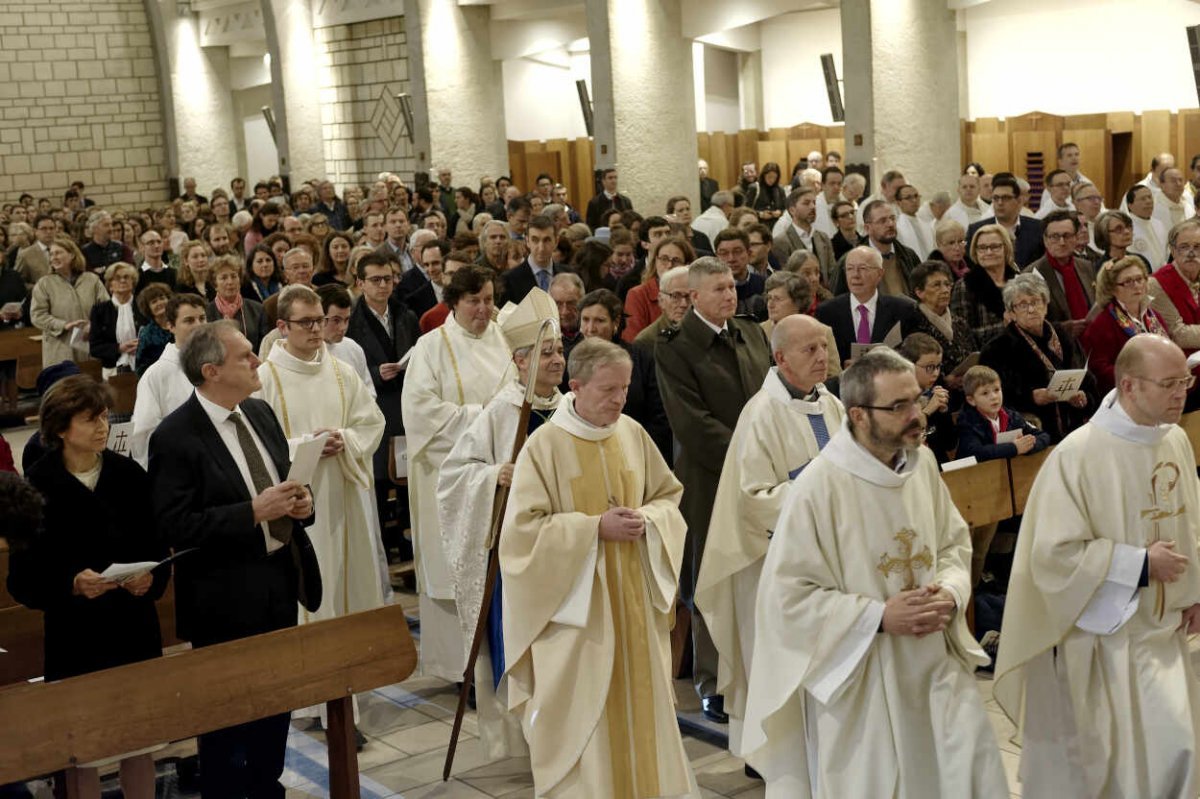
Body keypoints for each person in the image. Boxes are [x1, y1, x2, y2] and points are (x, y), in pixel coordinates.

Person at [741, 348, 1008, 797]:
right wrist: (878, 617)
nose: (916, 415)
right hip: (860, 679)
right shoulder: (819, 487)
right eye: (898, 406)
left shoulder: (920, 465)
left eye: (916, 399)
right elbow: (787, 598)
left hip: (935, 663)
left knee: (967, 774)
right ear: (859, 416)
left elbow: (952, 543)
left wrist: (951, 589)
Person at [995, 334, 1200, 798]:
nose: (1180, 393)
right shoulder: (1078, 454)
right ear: (1128, 386)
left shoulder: (1175, 441)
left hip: (1164, 632)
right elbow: (1051, 555)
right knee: (1146, 759)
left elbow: (1192, 521)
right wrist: (1140, 564)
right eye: (1168, 383)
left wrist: (1194, 592)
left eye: (1184, 381)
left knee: (1178, 754)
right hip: (1107, 641)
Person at [499, 337, 698, 797]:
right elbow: (522, 534)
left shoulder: (631, 433)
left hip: (634, 604)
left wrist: (648, 520)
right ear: (576, 386)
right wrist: (592, 529)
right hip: (577, 617)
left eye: (625, 388)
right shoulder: (545, 445)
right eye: (608, 389)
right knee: (584, 718)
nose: (619, 399)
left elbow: (668, 497)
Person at [150, 321, 317, 799]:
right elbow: (174, 525)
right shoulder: (175, 435)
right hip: (223, 596)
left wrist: (301, 506)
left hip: (278, 580)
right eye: (246, 356)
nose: (257, 361)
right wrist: (251, 512)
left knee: (276, 703)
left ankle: (269, 787)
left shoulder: (260, 413)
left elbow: (285, 483)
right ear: (211, 370)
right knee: (226, 718)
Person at [7, 375, 165, 799]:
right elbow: (22, 581)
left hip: (134, 628)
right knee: (80, 752)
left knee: (140, 744)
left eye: (104, 417)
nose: (103, 427)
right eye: (89, 419)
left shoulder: (128, 474)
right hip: (76, 638)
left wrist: (150, 579)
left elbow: (157, 546)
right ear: (60, 428)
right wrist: (71, 584)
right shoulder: (36, 486)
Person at [694, 314, 844, 758]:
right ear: (780, 358)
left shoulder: (830, 404)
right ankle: (769, 757)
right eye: (809, 350)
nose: (821, 357)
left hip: (824, 562)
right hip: (772, 563)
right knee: (774, 660)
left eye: (823, 346)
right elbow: (754, 498)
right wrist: (817, 489)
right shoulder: (761, 414)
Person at [256, 285, 388, 735]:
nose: (317, 330)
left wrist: (344, 440)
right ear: (281, 327)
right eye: (306, 323)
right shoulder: (266, 378)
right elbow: (259, 445)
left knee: (344, 591)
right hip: (297, 503)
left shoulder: (340, 371)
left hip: (343, 499)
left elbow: (372, 422)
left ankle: (341, 694)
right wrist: (306, 446)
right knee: (311, 593)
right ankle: (308, 696)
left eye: (321, 320)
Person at [439, 287, 561, 763]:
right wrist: (494, 475)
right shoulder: (502, 410)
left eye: (559, 351)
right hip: (516, 557)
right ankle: (530, 739)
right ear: (519, 361)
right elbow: (453, 475)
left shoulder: (569, 408)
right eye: (545, 353)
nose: (556, 361)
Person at [656, 256, 772, 723]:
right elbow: (691, 422)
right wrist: (750, 452)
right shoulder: (676, 347)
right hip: (709, 475)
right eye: (719, 289)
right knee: (709, 576)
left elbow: (768, 397)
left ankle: (757, 666)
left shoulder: (750, 332)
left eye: (732, 287)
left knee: (756, 570)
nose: (730, 294)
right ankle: (713, 682)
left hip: (760, 472)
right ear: (694, 296)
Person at [401, 264, 512, 681]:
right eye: (473, 301)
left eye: (488, 299)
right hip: (450, 477)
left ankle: (500, 658)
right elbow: (420, 411)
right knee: (454, 569)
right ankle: (457, 670)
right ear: (454, 303)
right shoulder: (431, 346)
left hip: (501, 472)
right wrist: (483, 418)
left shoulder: (506, 339)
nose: (483, 309)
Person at [346, 251, 420, 553]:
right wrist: (376, 373)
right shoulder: (352, 319)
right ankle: (380, 544)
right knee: (378, 478)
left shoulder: (405, 314)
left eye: (387, 279)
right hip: (373, 405)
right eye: (375, 280)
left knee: (405, 475)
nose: (383, 286)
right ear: (360, 283)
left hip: (404, 403)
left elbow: (419, 352)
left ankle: (407, 538)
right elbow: (347, 364)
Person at [980, 274, 1093, 443]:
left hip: (1074, 424)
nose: (1031, 309)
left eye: (1035, 302)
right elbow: (991, 398)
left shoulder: (1063, 336)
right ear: (1011, 312)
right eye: (1022, 305)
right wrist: (1030, 397)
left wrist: (1084, 397)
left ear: (1046, 306)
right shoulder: (997, 349)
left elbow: (1088, 378)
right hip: (1034, 431)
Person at [576, 288, 672, 463]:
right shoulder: (569, 359)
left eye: (599, 321)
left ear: (616, 322)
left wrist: (637, 453)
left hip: (634, 454)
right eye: (585, 320)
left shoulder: (641, 359)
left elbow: (659, 416)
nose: (590, 328)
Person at [130, 294, 207, 466]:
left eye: (202, 318)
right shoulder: (156, 375)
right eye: (189, 320)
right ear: (170, 326)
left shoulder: (218, 363)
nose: (199, 325)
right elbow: (144, 435)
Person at [815, 246, 915, 367]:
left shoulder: (902, 310)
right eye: (850, 269)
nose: (855, 275)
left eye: (863, 268)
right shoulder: (827, 312)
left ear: (880, 273)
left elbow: (911, 355)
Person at [1083, 256, 1168, 396]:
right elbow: (1099, 370)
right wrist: (1139, 378)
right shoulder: (1102, 324)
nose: (1136, 285)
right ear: (1112, 289)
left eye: (1139, 279)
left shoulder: (1154, 316)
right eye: (1128, 281)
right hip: (1126, 396)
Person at [30, 236, 109, 367]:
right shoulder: (45, 283)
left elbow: (106, 309)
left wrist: (93, 325)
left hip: (89, 346)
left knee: (90, 384)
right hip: (59, 349)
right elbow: (37, 315)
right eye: (51, 254)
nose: (54, 257)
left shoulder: (92, 280)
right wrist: (63, 325)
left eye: (58, 253)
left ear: (72, 255)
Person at [900, 260, 976, 384]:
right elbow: (907, 367)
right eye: (937, 285)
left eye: (947, 284)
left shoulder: (960, 322)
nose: (945, 290)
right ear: (919, 292)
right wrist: (944, 380)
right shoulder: (911, 323)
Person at [761, 271, 841, 378]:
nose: (770, 304)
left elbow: (834, 376)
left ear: (797, 302)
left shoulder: (822, 331)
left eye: (777, 299)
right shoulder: (757, 331)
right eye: (769, 298)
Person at [951, 223, 1016, 346]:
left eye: (995, 246)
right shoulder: (965, 286)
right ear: (975, 252)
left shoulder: (1019, 280)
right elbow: (961, 334)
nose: (988, 252)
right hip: (986, 357)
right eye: (982, 248)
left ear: (1006, 248)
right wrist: (1006, 327)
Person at [896, 332, 956, 463]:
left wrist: (943, 412)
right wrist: (928, 410)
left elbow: (950, 444)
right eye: (929, 367)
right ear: (909, 365)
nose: (935, 373)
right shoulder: (897, 399)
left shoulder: (935, 393)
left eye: (938, 367)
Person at [622, 235, 694, 342]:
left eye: (676, 260)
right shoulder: (638, 294)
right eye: (664, 259)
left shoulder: (695, 292)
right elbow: (633, 339)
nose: (669, 265)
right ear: (655, 261)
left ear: (687, 264)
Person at [967, 174, 1044, 268]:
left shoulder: (1037, 228)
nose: (1000, 203)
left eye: (1006, 198)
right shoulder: (976, 230)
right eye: (996, 198)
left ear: (1019, 201)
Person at [770, 187, 835, 285]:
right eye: (806, 203)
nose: (813, 207)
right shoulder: (781, 241)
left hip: (825, 296)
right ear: (792, 210)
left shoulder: (823, 237)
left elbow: (832, 272)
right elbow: (787, 279)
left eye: (814, 202)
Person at [89, 262, 141, 375]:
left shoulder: (142, 306)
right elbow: (94, 348)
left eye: (126, 277)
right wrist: (119, 348)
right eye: (117, 278)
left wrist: (142, 345)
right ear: (110, 285)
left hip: (143, 366)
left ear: (133, 282)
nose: (122, 281)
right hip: (112, 369)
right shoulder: (100, 310)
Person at [134, 283, 174, 376]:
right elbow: (141, 368)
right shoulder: (146, 334)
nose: (160, 303)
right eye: (154, 301)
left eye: (162, 298)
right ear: (148, 308)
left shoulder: (180, 323)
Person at [1126, 184, 1169, 268]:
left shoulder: (1159, 224)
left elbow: (1166, 252)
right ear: (1130, 205)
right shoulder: (1126, 227)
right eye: (1143, 199)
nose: (1148, 201)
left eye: (1150, 197)